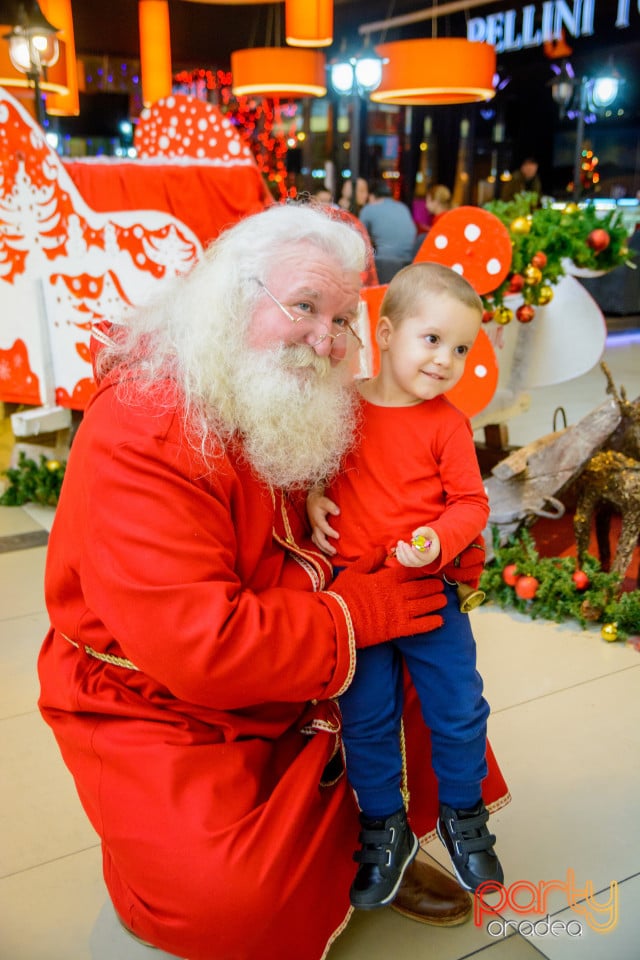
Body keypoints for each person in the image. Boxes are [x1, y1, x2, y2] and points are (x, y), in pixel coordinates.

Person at [37, 204, 508, 960]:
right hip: (160, 702)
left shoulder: (286, 390)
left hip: (292, 657)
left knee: (432, 643)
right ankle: (338, 835)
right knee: (228, 907)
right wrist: (355, 615)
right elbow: (200, 646)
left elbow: (333, 502)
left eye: (344, 317)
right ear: (231, 297)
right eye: (304, 307)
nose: (326, 339)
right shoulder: (143, 426)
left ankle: (376, 831)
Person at [307, 262, 504, 911]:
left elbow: (471, 504)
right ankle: (384, 824)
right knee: (366, 717)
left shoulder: (445, 423)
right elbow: (311, 467)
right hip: (358, 598)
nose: (446, 360)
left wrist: (438, 540)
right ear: (385, 332)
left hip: (426, 595)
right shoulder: (342, 406)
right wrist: (312, 497)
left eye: (460, 349)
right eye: (432, 340)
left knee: (459, 706)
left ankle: (461, 812)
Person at [359, 179, 417, 264]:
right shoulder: (403, 207)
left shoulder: (369, 209)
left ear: (371, 196)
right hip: (408, 261)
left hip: (383, 263)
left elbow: (358, 235)